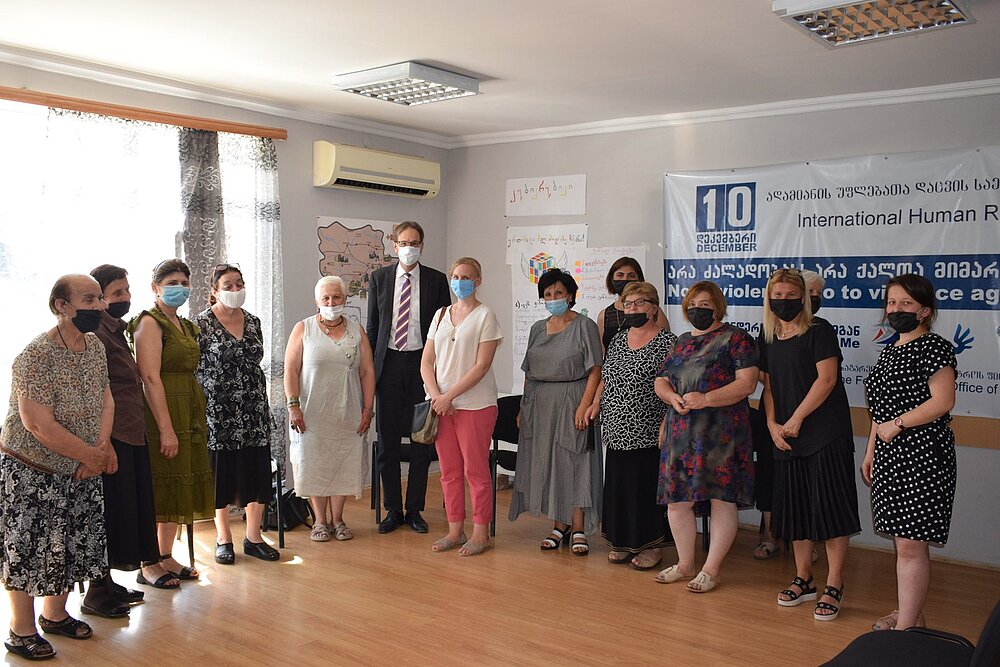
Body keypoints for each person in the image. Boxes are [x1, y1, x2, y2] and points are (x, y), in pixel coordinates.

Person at [1, 275, 116, 660]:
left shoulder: (95, 345)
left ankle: (55, 615)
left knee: (69, 541)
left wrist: (100, 447)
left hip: (82, 465)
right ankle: (20, 630)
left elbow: (106, 399)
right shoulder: (35, 355)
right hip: (33, 468)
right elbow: (37, 424)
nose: (99, 306)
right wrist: (89, 455)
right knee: (28, 547)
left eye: (99, 298)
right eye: (89, 299)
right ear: (62, 306)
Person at [759, 268, 860, 621]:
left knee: (830, 509)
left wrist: (797, 418)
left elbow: (827, 380)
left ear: (803, 298)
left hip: (825, 433)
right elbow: (769, 386)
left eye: (791, 296)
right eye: (778, 295)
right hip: (786, 435)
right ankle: (804, 579)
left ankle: (834, 583)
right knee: (795, 509)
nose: (783, 301)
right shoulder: (767, 335)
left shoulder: (820, 330)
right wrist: (772, 424)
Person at [863, 274, 957, 631]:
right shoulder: (890, 351)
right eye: (891, 302)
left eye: (906, 303)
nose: (896, 309)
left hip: (923, 455)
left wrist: (898, 424)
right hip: (890, 456)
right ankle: (911, 615)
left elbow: (943, 401)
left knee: (910, 546)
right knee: (905, 543)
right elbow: (880, 411)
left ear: (925, 311)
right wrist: (871, 451)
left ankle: (905, 629)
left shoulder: (934, 347)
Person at [653, 280, 757, 593]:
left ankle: (711, 570)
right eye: (694, 304)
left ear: (718, 307)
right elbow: (661, 380)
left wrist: (706, 399)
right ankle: (685, 564)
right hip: (681, 432)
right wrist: (671, 397)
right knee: (677, 502)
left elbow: (747, 384)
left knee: (720, 500)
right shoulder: (681, 341)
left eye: (706, 305)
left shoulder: (736, 338)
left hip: (721, 433)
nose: (699, 309)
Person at [129, 259, 214, 586]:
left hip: (188, 409)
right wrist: (165, 429)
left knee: (180, 484)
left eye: (184, 283)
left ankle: (166, 555)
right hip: (162, 411)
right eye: (172, 283)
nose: (180, 288)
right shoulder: (149, 323)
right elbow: (150, 378)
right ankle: (148, 562)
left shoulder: (185, 325)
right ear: (155, 288)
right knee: (162, 484)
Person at [366, 221, 452, 534]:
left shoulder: (436, 280)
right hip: (388, 365)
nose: (409, 248)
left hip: (422, 366)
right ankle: (392, 509)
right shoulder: (379, 278)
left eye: (414, 243)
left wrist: (438, 372)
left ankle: (414, 509)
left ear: (422, 246)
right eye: (404, 243)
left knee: (421, 442)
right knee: (388, 442)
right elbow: (373, 327)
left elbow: (445, 328)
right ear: (394, 245)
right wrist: (370, 371)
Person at [509, 268, 603, 555]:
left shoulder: (584, 325)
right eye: (548, 294)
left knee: (575, 462)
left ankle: (579, 527)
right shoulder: (538, 328)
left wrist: (585, 405)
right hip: (540, 403)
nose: (553, 298)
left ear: (570, 295)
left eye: (558, 293)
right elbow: (529, 371)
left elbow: (595, 369)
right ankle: (559, 524)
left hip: (572, 399)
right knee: (549, 464)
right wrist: (524, 407)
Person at [86, 264, 161, 611]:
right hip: (112, 436)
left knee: (126, 510)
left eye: (127, 290)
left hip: (131, 431)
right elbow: (97, 393)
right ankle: (96, 592)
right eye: (117, 292)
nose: (126, 297)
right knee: (109, 513)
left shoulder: (116, 329)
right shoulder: (95, 334)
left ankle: (109, 585)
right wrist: (104, 445)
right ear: (99, 297)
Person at [587, 282, 676, 570]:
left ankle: (651, 546)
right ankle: (623, 541)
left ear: (654, 308)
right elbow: (606, 376)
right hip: (616, 426)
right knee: (620, 487)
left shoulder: (668, 342)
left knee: (644, 488)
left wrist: (667, 423)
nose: (632, 308)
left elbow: (675, 386)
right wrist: (596, 403)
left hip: (648, 428)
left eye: (639, 303)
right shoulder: (617, 339)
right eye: (628, 304)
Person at [194, 264, 279, 564]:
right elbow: (195, 369)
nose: (235, 289)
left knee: (256, 472)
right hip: (219, 413)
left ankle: (253, 537)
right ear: (214, 291)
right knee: (222, 476)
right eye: (228, 285)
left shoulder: (253, 321)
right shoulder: (201, 324)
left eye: (239, 284)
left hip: (253, 409)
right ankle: (223, 538)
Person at [420, 258, 503, 556]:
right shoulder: (441, 314)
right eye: (455, 276)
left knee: (475, 471)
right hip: (441, 407)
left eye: (466, 277)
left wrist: (449, 397)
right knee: (449, 471)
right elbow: (426, 362)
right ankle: (455, 530)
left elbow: (481, 366)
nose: (460, 282)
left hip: (475, 406)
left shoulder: (485, 316)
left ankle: (481, 533)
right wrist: (437, 397)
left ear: (478, 281)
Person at [285, 276, 375, 542]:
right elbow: (290, 369)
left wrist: (368, 409)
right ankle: (320, 521)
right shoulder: (303, 328)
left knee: (344, 463)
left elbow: (367, 371)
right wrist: (293, 406)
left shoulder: (357, 330)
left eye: (336, 297)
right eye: (325, 298)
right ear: (316, 301)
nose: (331, 302)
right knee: (314, 463)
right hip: (311, 413)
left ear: (345, 299)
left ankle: (338, 519)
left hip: (348, 411)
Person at [596, 257, 670, 350]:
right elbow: (602, 350)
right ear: (611, 279)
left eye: (631, 276)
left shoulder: (652, 310)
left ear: (639, 279)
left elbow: (666, 343)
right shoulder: (604, 315)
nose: (625, 279)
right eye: (620, 275)